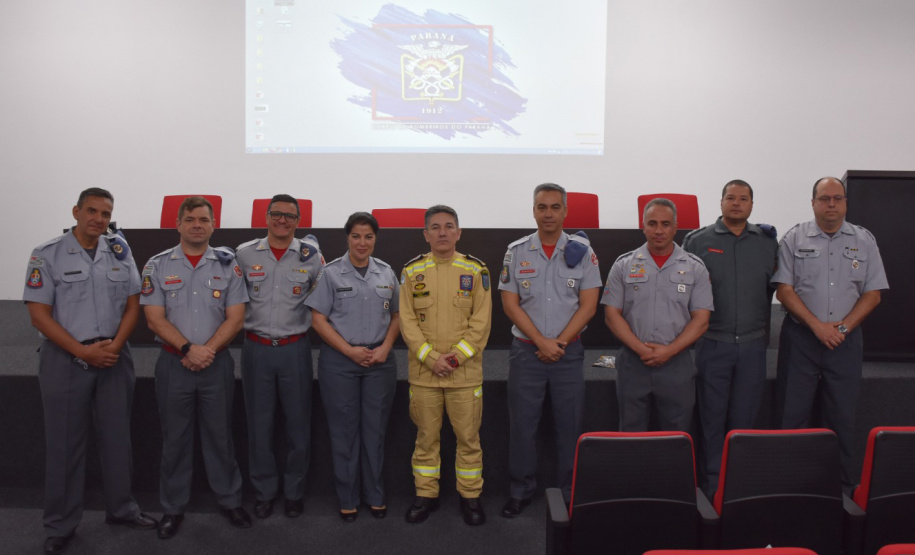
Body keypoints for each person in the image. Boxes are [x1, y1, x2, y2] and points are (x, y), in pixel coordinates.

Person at [24, 188, 157, 555]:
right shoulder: (46, 253)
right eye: (92, 211)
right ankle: (61, 525)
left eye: (105, 212)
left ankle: (122, 509)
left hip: (113, 356)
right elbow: (38, 315)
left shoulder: (120, 249)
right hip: (66, 359)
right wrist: (83, 351)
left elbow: (133, 304)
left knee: (117, 439)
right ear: (76, 211)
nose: (98, 218)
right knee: (65, 445)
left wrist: (113, 347)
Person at [140, 196, 251, 539]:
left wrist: (207, 351)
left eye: (204, 219)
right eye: (190, 219)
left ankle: (230, 500)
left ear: (213, 225)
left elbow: (236, 318)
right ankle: (172, 508)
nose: (197, 225)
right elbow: (154, 320)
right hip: (174, 364)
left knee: (220, 436)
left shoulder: (228, 265)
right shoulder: (157, 266)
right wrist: (188, 349)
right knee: (175, 440)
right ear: (178, 224)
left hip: (215, 365)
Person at [772, 176, 888, 490]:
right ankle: (787, 486)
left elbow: (873, 293)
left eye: (837, 198)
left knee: (842, 418)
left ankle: (841, 489)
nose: (831, 204)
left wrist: (842, 328)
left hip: (846, 342)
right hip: (802, 339)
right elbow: (784, 290)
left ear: (846, 202)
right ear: (813, 203)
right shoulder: (794, 238)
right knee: (791, 417)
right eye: (824, 199)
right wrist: (817, 326)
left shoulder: (864, 240)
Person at [499, 183, 602, 517]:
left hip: (568, 355)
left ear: (565, 212)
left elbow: (588, 306)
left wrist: (557, 344)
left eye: (555, 207)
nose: (548, 213)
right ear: (533, 211)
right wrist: (542, 343)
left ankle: (569, 492)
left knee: (569, 426)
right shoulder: (516, 251)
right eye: (542, 207)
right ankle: (521, 491)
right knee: (522, 427)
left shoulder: (582, 252)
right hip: (526, 353)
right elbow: (510, 304)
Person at [682, 180, 778, 497]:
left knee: (744, 421)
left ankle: (738, 486)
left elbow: (771, 290)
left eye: (743, 199)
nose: (736, 203)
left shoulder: (766, 243)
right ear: (721, 202)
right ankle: (710, 488)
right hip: (713, 342)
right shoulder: (697, 241)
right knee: (711, 419)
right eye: (730, 198)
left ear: (752, 204)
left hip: (752, 344)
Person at [398, 205, 492, 526]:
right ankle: (426, 495)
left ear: (459, 232)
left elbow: (480, 325)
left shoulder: (476, 271)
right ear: (425, 234)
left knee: (468, 439)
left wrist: (452, 359)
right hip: (424, 375)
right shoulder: (411, 272)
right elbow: (407, 322)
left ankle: (470, 497)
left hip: (464, 375)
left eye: (449, 226)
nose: (442, 232)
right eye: (435, 227)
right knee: (426, 438)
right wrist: (429, 357)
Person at [305, 212, 400, 522]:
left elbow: (398, 316)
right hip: (340, 361)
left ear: (375, 239)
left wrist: (385, 348)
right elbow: (317, 320)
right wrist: (349, 351)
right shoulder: (330, 273)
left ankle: (375, 495)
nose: (362, 242)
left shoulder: (386, 273)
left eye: (369, 237)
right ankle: (348, 498)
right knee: (344, 432)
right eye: (357, 236)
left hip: (379, 361)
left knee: (375, 432)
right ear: (347, 237)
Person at [236, 195, 323, 520]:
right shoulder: (244, 254)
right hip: (256, 348)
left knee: (298, 426)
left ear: (298, 221)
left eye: (289, 216)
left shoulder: (311, 257)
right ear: (267, 217)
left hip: (294, 349)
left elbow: (321, 303)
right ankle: (264, 492)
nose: (282, 221)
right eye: (276, 214)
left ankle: (295, 493)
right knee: (259, 425)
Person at [602, 198, 713, 433]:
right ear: (643, 226)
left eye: (665, 224)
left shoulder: (695, 267)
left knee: (677, 434)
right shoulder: (623, 265)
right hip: (633, 362)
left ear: (675, 227)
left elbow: (701, 320)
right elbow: (612, 315)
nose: (659, 230)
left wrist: (668, 351)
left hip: (677, 364)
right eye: (652, 223)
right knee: (631, 434)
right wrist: (642, 350)